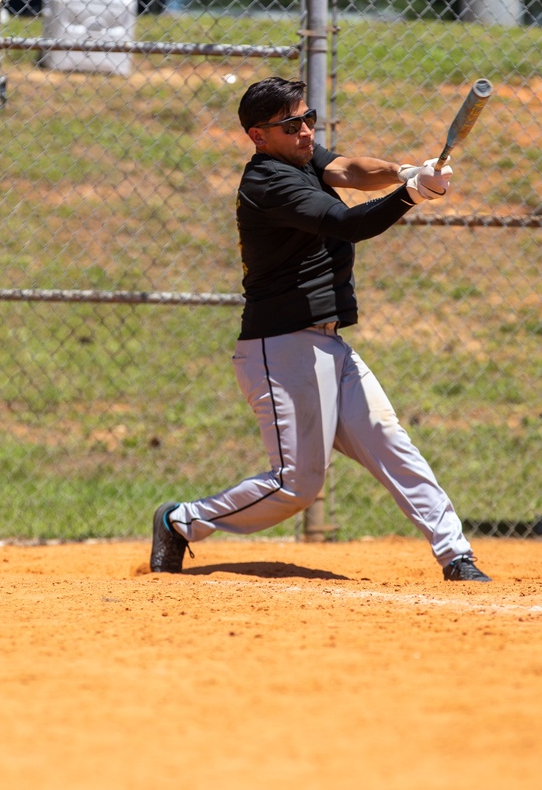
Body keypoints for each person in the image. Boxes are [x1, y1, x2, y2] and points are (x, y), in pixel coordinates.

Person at [149, 77, 490, 581]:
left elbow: (348, 169)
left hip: (328, 343)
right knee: (297, 486)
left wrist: (404, 170)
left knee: (389, 441)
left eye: (310, 119)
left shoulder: (301, 156)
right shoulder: (267, 181)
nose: (307, 131)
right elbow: (346, 222)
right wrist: (410, 196)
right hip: (279, 349)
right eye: (293, 125)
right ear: (258, 135)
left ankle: (455, 555)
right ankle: (181, 521)